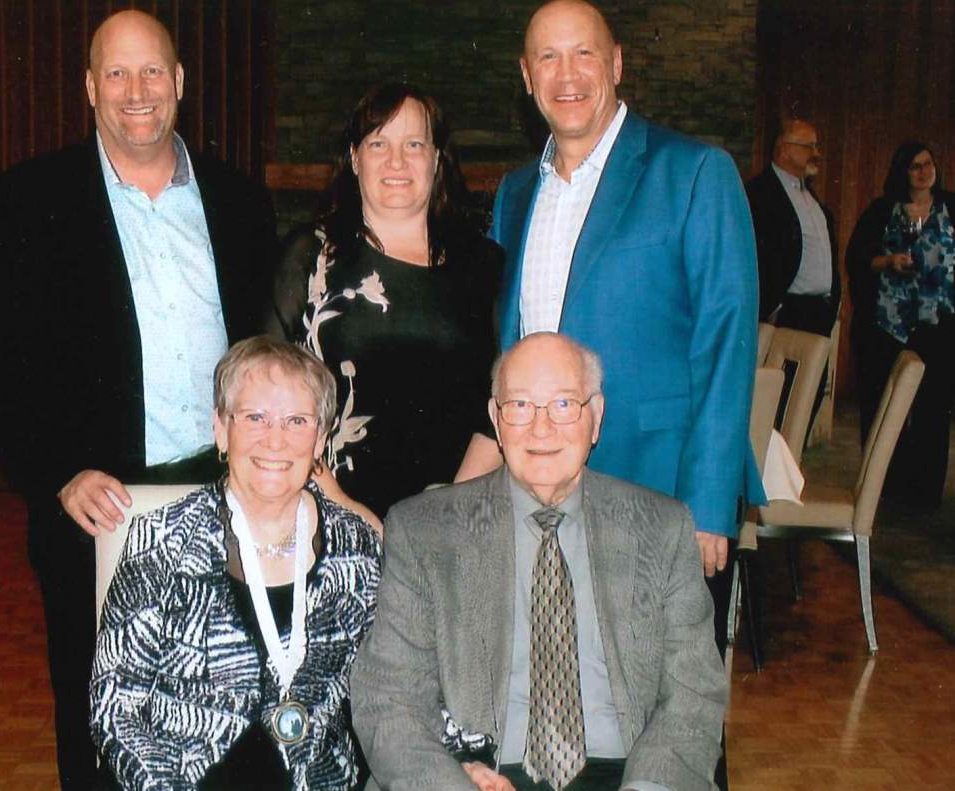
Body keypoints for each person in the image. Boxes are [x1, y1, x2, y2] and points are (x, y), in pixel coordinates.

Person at [0, 10, 276, 789]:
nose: (136, 91)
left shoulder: (240, 203)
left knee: (224, 702)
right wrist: (58, 473)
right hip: (97, 503)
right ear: (88, 87)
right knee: (100, 714)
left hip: (223, 496)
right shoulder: (27, 200)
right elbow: (0, 366)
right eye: (116, 73)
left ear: (179, 83)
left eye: (152, 73)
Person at [456, 0, 759, 648]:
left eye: (584, 52)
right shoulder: (514, 195)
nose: (568, 75)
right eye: (548, 57)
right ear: (526, 75)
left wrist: (707, 503)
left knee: (671, 722)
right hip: (543, 498)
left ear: (617, 63)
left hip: (659, 493)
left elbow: (726, 340)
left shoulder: (694, 172)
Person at [352, 332, 727, 791]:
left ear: (596, 417)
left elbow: (694, 693)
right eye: (521, 406)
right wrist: (453, 781)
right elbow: (388, 695)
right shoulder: (425, 531)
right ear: (496, 418)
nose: (542, 428)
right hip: (478, 773)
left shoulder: (660, 527)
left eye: (565, 404)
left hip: (629, 769)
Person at [91, 337, 382, 790]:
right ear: (221, 431)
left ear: (321, 439)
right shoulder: (163, 541)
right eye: (254, 418)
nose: (275, 439)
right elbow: (115, 708)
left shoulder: (357, 546)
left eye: (297, 421)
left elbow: (397, 682)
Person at [269, 83, 504, 519]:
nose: (397, 161)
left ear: (436, 159)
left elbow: (498, 403)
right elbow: (267, 395)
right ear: (355, 158)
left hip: (455, 517)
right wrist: (347, 511)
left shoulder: (483, 265)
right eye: (379, 143)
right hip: (326, 512)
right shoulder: (308, 257)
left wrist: (447, 514)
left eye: (414, 144)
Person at [846, 141, 955, 508]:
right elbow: (858, 259)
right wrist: (888, 262)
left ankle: (924, 493)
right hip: (889, 324)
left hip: (940, 325)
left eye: (929, 164)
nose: (924, 171)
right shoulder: (882, 210)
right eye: (916, 166)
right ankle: (885, 486)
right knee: (886, 405)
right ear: (902, 172)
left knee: (933, 409)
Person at [746, 119, 840, 437]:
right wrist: (771, 305)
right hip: (786, 315)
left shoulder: (809, 197)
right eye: (808, 146)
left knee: (806, 400)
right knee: (777, 405)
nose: (817, 153)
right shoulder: (758, 195)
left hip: (818, 314)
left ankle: (787, 471)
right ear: (784, 150)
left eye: (816, 146)